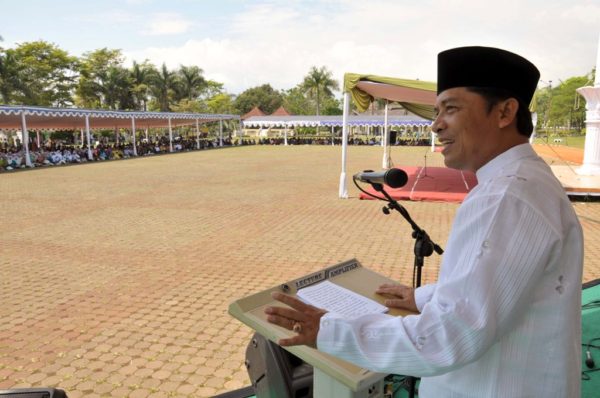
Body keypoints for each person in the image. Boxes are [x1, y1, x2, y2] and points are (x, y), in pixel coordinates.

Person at [265, 46, 584, 397]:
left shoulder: (505, 197)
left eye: (451, 109)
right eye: (436, 112)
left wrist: (327, 330)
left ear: (505, 111)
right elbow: (501, 281)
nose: (436, 125)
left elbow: (450, 336)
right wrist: (425, 297)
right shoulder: (525, 180)